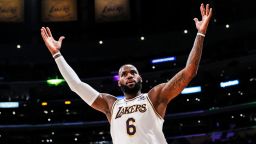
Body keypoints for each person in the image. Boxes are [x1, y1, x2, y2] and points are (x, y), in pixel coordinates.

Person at [40, 3, 212, 144]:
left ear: (140, 78)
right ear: (119, 82)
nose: (129, 75)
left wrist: (200, 33)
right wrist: (57, 54)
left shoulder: (154, 97)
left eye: (133, 72)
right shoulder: (110, 105)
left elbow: (189, 71)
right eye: (124, 74)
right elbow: (76, 86)